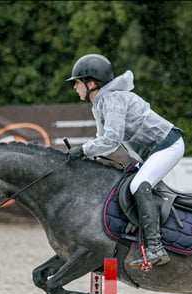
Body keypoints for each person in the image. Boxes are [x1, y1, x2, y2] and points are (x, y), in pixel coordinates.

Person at [66, 53, 184, 269]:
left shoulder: (113, 100)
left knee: (139, 185)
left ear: (90, 83)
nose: (75, 87)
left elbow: (112, 139)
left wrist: (83, 150)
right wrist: (84, 154)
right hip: (152, 152)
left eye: (77, 83)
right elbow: (104, 139)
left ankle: (156, 247)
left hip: (168, 146)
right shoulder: (100, 103)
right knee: (124, 185)